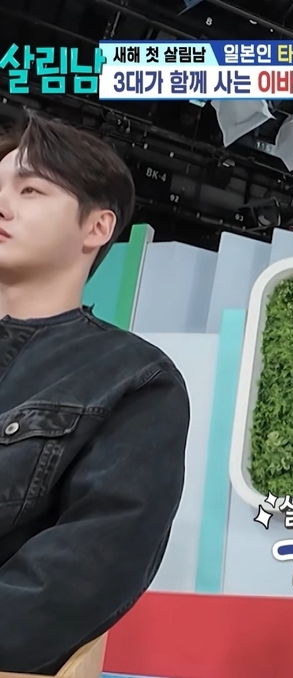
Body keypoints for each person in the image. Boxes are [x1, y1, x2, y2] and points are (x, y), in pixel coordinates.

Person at [0, 111, 189, 673]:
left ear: (96, 228)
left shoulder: (134, 379)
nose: (2, 204)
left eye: (30, 190)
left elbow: (76, 580)